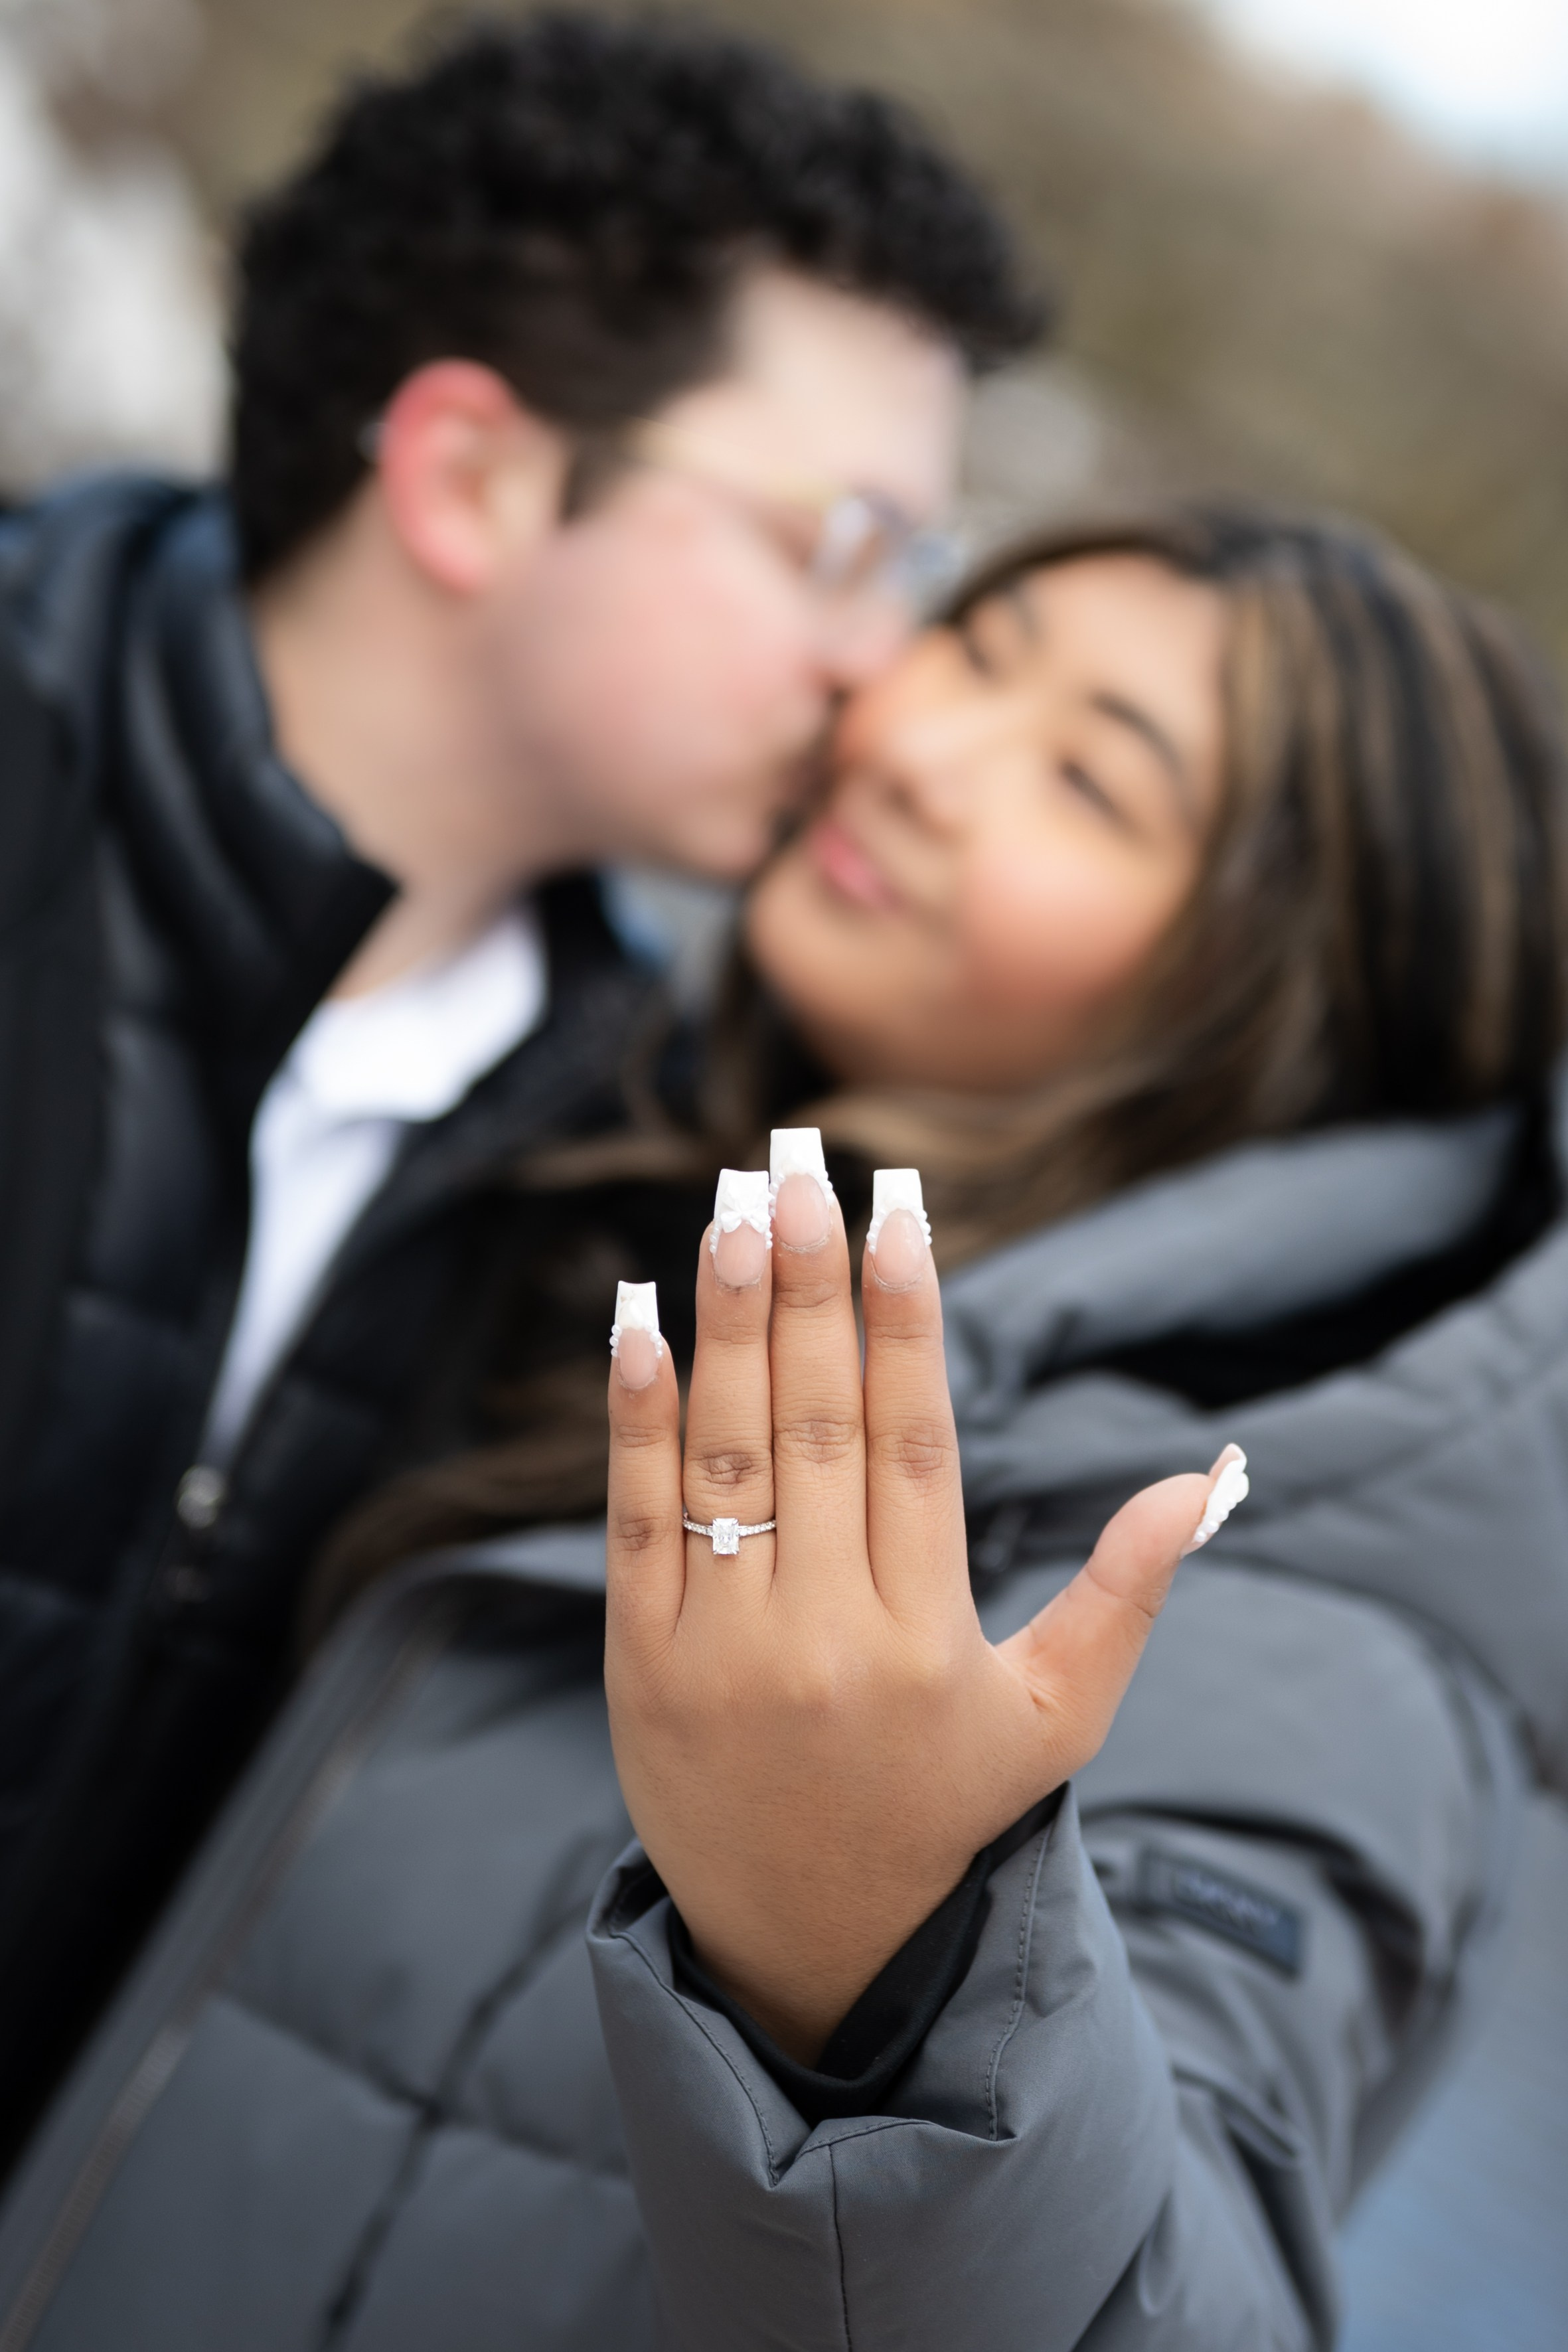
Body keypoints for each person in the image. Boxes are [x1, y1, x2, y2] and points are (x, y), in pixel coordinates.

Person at [3, 505, 1563, 2349]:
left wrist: (894, 1972)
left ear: (1277, 1004)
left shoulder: (1281, 1620)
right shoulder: (629, 1177)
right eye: (972, 650)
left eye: (1089, 779)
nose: (912, 749)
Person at [0, 8, 1040, 2146]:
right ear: (470, 475)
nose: (883, 664)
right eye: (840, 542)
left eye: (917, 574)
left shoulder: (657, 1188)